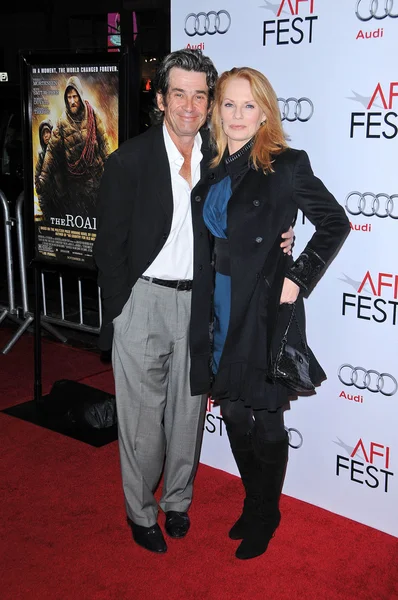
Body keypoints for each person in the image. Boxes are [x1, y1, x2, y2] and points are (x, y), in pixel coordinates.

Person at [94, 50, 294, 554]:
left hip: (201, 304)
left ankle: (177, 503)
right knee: (140, 420)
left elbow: (258, 208)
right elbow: (108, 248)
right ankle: (140, 512)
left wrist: (280, 236)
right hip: (143, 300)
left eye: (200, 95)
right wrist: (122, 309)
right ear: (161, 100)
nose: (189, 105)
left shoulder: (220, 156)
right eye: (177, 93)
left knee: (187, 414)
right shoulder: (129, 160)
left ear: (209, 104)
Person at [193, 67, 350, 560]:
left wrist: (296, 275)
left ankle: (267, 512)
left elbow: (334, 222)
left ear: (265, 113)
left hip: (261, 307)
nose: (237, 115)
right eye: (228, 105)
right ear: (217, 111)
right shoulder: (211, 164)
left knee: (264, 419)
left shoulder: (286, 165)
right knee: (235, 415)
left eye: (248, 105)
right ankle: (253, 499)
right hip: (218, 304)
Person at [37, 76, 110, 220]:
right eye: (69, 97)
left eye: (75, 96)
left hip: (95, 180)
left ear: (80, 96)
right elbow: (51, 151)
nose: (72, 101)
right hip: (75, 186)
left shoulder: (93, 114)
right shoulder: (62, 121)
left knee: (97, 222)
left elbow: (104, 143)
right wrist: (43, 178)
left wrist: (113, 172)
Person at [34, 119, 53, 220]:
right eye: (43, 133)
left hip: (62, 200)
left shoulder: (59, 151)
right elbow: (37, 178)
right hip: (48, 201)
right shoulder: (42, 155)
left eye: (48, 132)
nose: (46, 136)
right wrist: (43, 202)